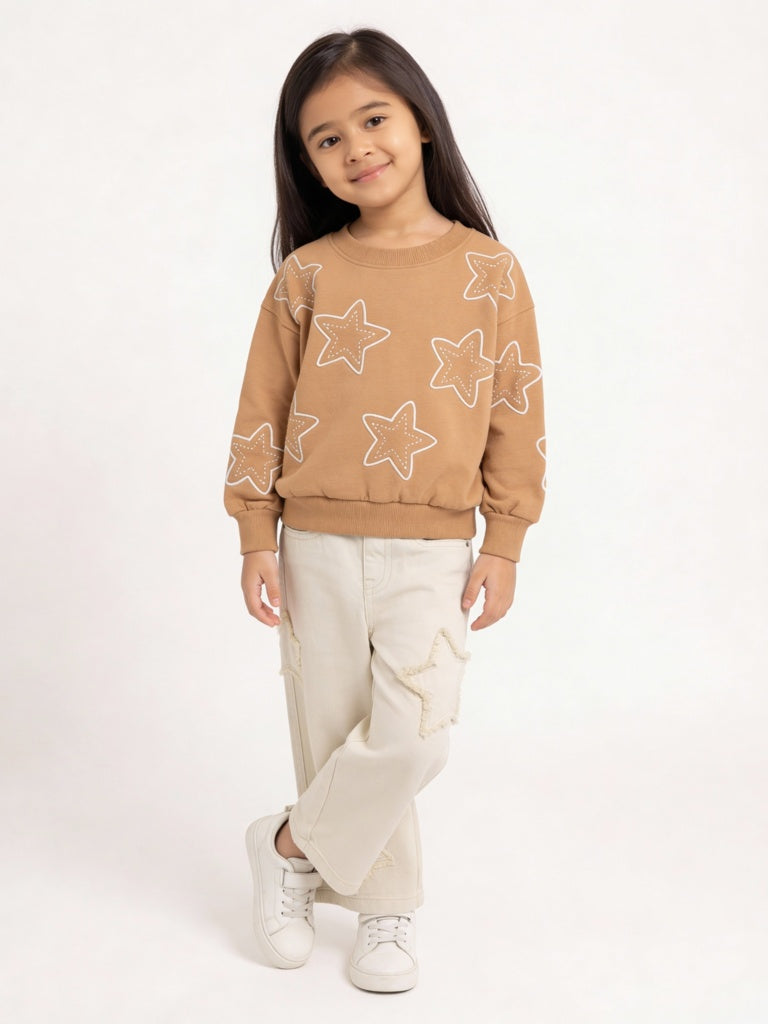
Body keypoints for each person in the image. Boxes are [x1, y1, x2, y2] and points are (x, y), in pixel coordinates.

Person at [224, 27, 545, 993]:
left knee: (413, 734)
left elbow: (516, 409)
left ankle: (287, 845)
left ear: (421, 122)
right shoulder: (307, 274)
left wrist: (506, 541)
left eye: (374, 120)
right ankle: (385, 913)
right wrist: (254, 534)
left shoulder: (490, 271)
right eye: (326, 138)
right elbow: (262, 410)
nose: (356, 148)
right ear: (307, 162)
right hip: (313, 539)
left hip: (435, 545)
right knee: (335, 730)